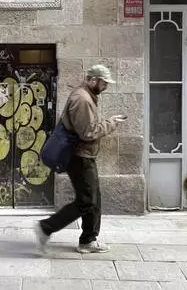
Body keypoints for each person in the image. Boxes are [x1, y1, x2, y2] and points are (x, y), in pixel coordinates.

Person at [33, 64, 126, 253]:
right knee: (87, 201)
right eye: (103, 82)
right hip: (80, 157)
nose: (105, 86)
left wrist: (109, 121)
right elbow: (87, 132)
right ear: (93, 80)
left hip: (85, 156)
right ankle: (46, 227)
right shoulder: (82, 99)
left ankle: (88, 240)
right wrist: (111, 124)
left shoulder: (86, 96)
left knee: (93, 198)